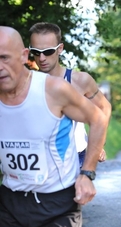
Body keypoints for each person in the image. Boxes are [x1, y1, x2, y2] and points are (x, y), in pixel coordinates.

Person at [0, 26, 107, 227]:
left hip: (57, 200)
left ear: (23, 56)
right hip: (13, 197)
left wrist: (87, 173)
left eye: (4, 58)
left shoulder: (53, 89)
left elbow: (99, 116)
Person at [29, 22, 111, 168]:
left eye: (48, 52)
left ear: (60, 49)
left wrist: (98, 144)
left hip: (76, 158)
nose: (41, 58)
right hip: (39, 160)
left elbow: (104, 107)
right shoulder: (26, 83)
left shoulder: (79, 80)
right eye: (36, 52)